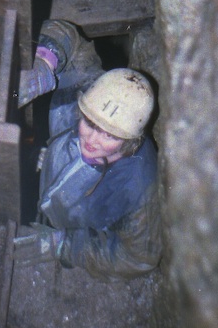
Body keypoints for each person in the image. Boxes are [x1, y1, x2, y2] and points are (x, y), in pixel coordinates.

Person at [13, 19, 161, 281]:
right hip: (51, 178)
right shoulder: (89, 92)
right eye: (90, 124)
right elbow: (67, 35)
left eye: (110, 135)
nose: (93, 139)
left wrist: (66, 246)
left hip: (74, 227)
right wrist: (45, 64)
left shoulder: (137, 189)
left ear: (130, 141)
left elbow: (138, 258)